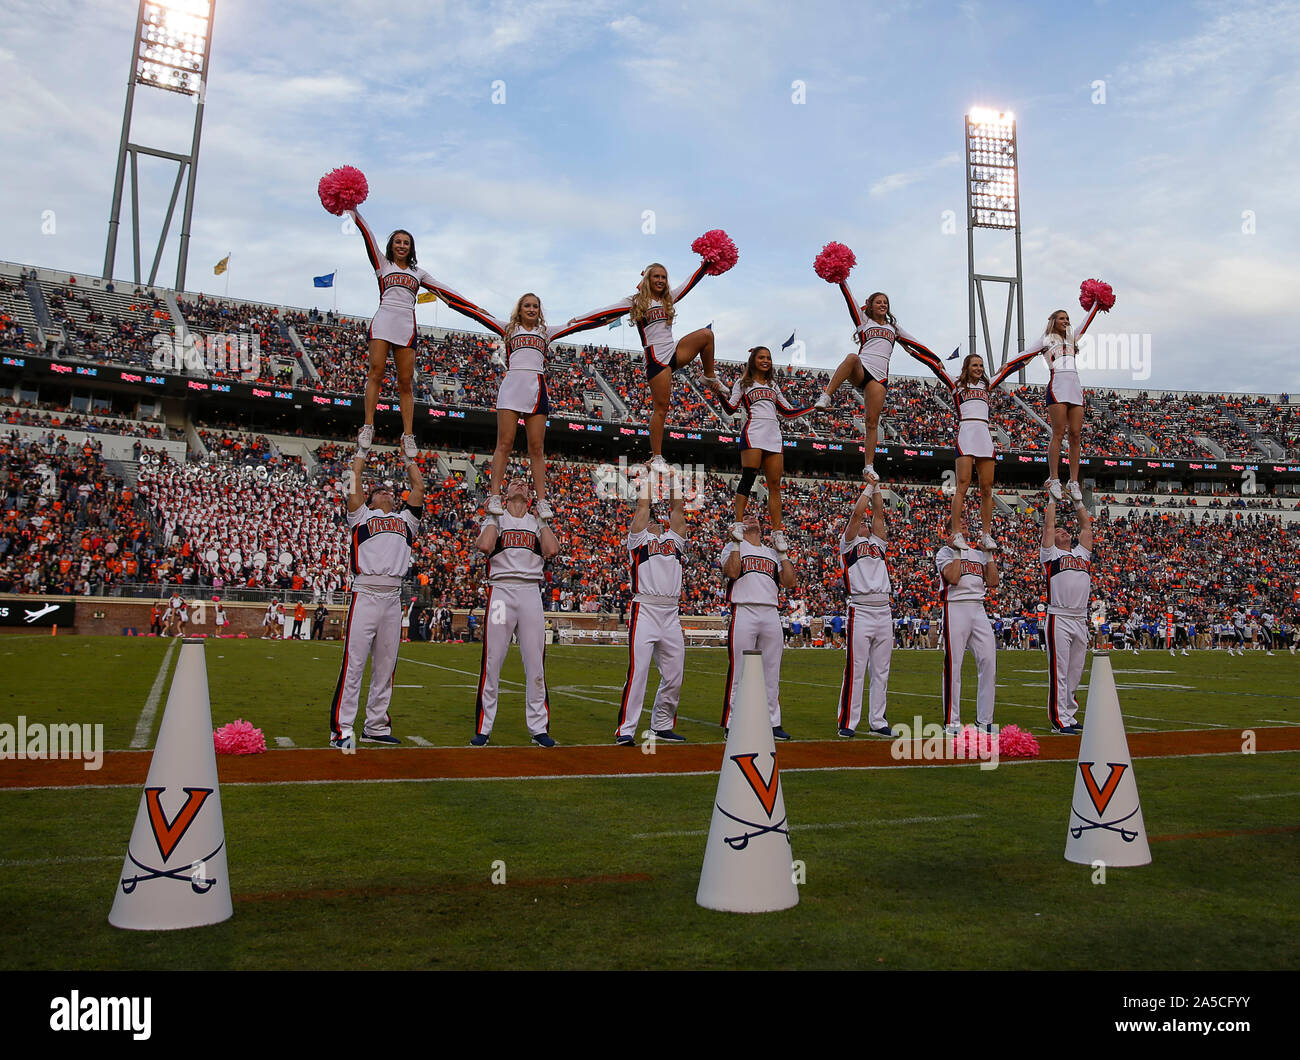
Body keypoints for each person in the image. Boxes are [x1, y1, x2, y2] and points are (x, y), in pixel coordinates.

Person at [418, 289, 619, 518]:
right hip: (512, 387)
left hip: (537, 389)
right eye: (527, 305)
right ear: (519, 309)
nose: (532, 309)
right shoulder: (509, 329)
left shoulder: (546, 332)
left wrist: (604, 321)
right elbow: (476, 314)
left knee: (537, 447)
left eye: (535, 306)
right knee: (504, 442)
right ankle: (495, 495)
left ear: (539, 310)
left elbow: (580, 324)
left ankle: (542, 501)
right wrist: (449, 302)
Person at [578, 260, 729, 472]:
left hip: (674, 351)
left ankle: (708, 376)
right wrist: (577, 320)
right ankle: (657, 456)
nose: (660, 280)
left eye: (663, 277)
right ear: (647, 279)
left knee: (706, 335)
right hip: (657, 359)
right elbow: (604, 312)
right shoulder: (636, 301)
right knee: (661, 408)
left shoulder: (668, 299)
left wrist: (705, 265)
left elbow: (689, 284)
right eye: (655, 276)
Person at [327, 451, 424, 749]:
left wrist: (410, 456)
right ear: (370, 501)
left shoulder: (406, 520)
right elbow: (354, 480)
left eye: (389, 492)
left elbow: (418, 488)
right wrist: (361, 453)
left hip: (393, 597)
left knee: (386, 665)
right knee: (354, 664)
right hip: (366, 594)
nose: (387, 493)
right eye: (380, 491)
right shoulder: (361, 516)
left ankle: (376, 725)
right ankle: (341, 729)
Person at [908, 350, 1035, 551]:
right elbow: (932, 365)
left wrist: (1032, 356)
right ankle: (957, 532)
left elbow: (1012, 368)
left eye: (981, 365)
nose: (979, 369)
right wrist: (910, 350)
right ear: (966, 367)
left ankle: (986, 534)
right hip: (966, 432)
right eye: (975, 365)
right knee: (963, 485)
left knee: (987, 487)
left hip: (984, 434)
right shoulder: (956, 384)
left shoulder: (988, 384)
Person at [813, 288, 943, 480]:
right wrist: (841, 279)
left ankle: (868, 466)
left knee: (872, 423)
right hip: (861, 367)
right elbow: (850, 299)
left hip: (879, 378)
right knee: (851, 357)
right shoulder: (863, 322)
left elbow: (916, 344)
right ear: (870, 305)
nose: (883, 305)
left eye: (886, 302)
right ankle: (827, 396)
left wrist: (935, 358)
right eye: (879, 302)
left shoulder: (894, 329)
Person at [347, 206, 444, 459]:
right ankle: (368, 425)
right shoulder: (382, 263)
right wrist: (353, 209)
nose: (402, 246)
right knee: (376, 371)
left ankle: (408, 433)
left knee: (405, 382)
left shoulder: (418, 273)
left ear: (411, 248)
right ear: (392, 245)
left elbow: (446, 291)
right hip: (383, 320)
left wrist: (472, 307)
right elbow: (367, 234)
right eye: (398, 242)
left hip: (406, 326)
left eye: (406, 243)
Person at [471, 479, 560, 747]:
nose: (521, 485)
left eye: (525, 484)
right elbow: (485, 546)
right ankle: (484, 728)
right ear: (506, 494)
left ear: (531, 495)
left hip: (530, 592)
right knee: (493, 661)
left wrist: (543, 522)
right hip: (501, 591)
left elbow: (552, 549)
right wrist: (491, 516)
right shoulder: (497, 519)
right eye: (515, 483)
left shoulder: (536, 522)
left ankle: (538, 728)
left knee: (535, 663)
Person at [614, 472, 689, 746]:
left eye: (660, 520)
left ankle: (662, 724)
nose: (656, 521)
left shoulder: (675, 539)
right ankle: (626, 729)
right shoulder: (638, 540)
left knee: (675, 673)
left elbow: (678, 509)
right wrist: (650, 475)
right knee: (639, 671)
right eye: (652, 521)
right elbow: (643, 506)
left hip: (670, 611)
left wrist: (673, 480)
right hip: (644, 607)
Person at [713, 345, 812, 550]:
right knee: (749, 477)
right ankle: (738, 524)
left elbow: (787, 412)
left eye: (768, 357)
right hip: (754, 431)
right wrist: (719, 394)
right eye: (761, 358)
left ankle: (777, 533)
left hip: (773, 434)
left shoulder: (773, 385)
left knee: (775, 485)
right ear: (753, 360)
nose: (765, 361)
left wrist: (814, 406)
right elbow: (731, 409)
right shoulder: (743, 383)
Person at [1004, 304, 1105, 499]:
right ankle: (1054, 478)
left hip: (1075, 387)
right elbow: (1025, 354)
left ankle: (1074, 481)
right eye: (1062, 318)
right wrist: (1006, 366)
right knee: (1058, 433)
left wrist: (1096, 304)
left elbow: (1086, 323)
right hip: (1057, 387)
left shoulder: (1072, 338)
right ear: (1053, 321)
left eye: (1067, 318)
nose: (1066, 321)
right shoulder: (1046, 340)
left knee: (1076, 435)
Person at [719, 512, 797, 740]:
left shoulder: (772, 552)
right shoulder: (733, 547)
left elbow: (790, 582)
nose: (752, 519)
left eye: (755, 518)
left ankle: (773, 722)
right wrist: (735, 542)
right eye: (748, 518)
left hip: (771, 611)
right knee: (739, 671)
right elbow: (732, 572)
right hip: (744, 609)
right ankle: (731, 723)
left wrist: (783, 553)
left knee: (771, 672)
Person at [837, 483, 896, 738]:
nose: (866, 524)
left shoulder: (877, 543)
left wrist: (877, 486)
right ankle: (848, 721)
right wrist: (868, 486)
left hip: (884, 609)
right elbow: (856, 514)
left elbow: (879, 513)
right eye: (864, 523)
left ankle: (878, 720)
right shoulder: (848, 544)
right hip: (860, 609)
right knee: (856, 667)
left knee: (881, 670)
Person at [934, 519, 999, 734]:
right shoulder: (944, 552)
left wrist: (988, 555)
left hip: (978, 608)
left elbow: (993, 582)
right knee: (954, 666)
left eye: (965, 525)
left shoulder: (977, 554)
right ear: (948, 533)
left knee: (989, 661)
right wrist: (956, 551)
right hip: (955, 606)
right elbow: (953, 578)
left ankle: (985, 720)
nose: (964, 528)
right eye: (959, 526)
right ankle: (952, 722)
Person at [1041, 485, 1093, 735]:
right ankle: (1058, 719)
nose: (1062, 531)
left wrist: (1078, 502)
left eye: (1065, 529)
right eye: (1059, 530)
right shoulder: (1050, 554)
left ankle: (1070, 714)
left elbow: (1086, 527)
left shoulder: (1082, 553)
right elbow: (1049, 527)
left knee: (1075, 670)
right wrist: (1052, 499)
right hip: (1058, 616)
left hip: (1080, 617)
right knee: (1060, 669)